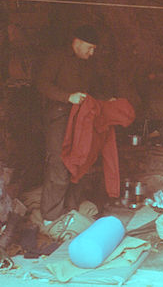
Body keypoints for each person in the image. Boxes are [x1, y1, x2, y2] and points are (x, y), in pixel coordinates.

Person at [37, 24, 116, 221]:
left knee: (79, 164)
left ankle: (71, 212)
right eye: (89, 48)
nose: (91, 53)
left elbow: (92, 92)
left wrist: (106, 101)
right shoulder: (56, 58)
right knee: (59, 165)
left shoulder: (88, 64)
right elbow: (42, 84)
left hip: (81, 121)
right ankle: (51, 217)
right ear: (77, 43)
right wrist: (67, 97)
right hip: (59, 119)